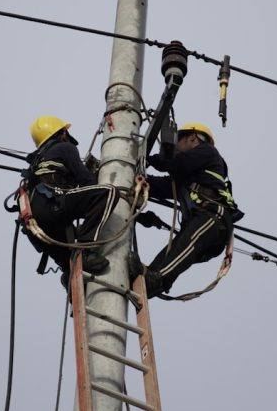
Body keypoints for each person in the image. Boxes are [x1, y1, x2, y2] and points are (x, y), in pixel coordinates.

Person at [140, 122, 243, 298]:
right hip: (201, 224)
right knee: (174, 250)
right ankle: (148, 278)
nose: (175, 148)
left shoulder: (208, 151)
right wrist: (135, 179)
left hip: (213, 217)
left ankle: (156, 279)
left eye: (177, 142)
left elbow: (177, 163)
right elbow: (158, 186)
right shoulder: (185, 178)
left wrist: (152, 158)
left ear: (193, 138)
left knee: (183, 246)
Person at [23, 115, 120, 279]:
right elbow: (86, 182)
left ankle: (69, 278)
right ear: (62, 134)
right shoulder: (64, 147)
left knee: (72, 268)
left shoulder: (38, 161)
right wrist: (96, 176)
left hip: (35, 225)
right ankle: (87, 252)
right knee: (108, 192)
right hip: (52, 206)